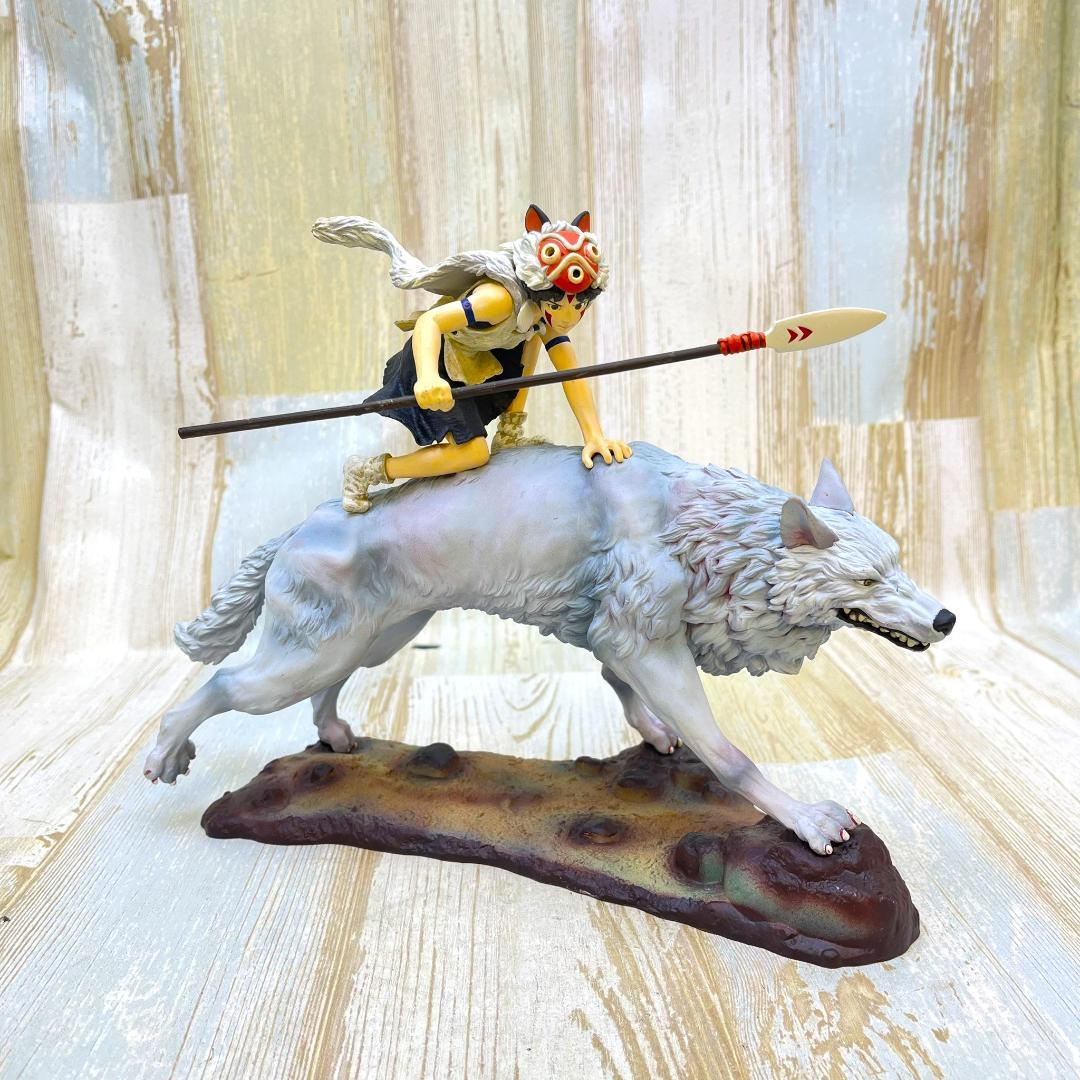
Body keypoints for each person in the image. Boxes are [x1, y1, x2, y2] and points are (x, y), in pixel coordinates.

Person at [311, 205, 632, 513]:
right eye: (558, 305)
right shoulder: (498, 300)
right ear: (539, 290)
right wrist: (427, 377)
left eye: (579, 306)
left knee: (536, 335)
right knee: (474, 452)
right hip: (438, 359)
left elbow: (569, 371)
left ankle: (509, 433)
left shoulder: (545, 311)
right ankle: (369, 470)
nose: (568, 318)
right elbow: (430, 322)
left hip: (486, 355)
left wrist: (594, 436)